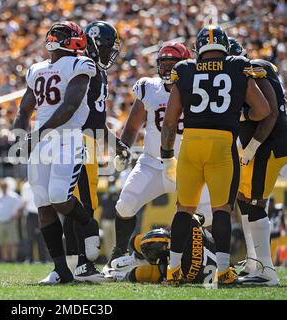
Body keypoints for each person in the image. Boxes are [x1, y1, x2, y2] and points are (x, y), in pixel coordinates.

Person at [160, 25, 270, 285]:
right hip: (222, 145)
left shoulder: (185, 69)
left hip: (191, 144)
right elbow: (263, 110)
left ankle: (173, 271)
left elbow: (169, 120)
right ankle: (223, 271)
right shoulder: (237, 66)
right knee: (222, 209)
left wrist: (166, 155)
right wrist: (239, 114)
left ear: (199, 48)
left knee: (184, 209)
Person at [104, 42, 213, 276]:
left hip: (187, 165)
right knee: (125, 204)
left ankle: (198, 257)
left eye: (172, 65)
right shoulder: (150, 88)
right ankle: (119, 253)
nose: (166, 70)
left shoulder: (199, 87)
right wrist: (123, 150)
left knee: (207, 214)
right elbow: (133, 126)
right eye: (163, 64)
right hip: (152, 162)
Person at [13, 21, 99, 284]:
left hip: (66, 136)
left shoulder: (80, 64)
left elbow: (71, 105)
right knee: (43, 205)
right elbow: (24, 110)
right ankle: (61, 269)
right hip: (42, 141)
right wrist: (19, 139)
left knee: (60, 198)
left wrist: (36, 134)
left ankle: (89, 225)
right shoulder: (37, 69)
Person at [62, 21, 127, 282]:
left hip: (86, 140)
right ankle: (82, 266)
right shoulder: (84, 68)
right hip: (80, 142)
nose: (109, 52)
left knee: (75, 204)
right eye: (107, 46)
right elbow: (83, 118)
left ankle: (71, 266)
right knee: (85, 205)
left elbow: (97, 120)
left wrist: (116, 143)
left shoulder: (94, 70)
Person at [228, 38, 287, 286]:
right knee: (244, 197)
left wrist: (251, 147)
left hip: (268, 144)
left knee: (254, 203)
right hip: (262, 144)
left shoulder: (253, 67)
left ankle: (266, 272)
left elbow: (270, 112)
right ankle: (254, 263)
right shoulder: (250, 70)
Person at [109, 214, 217, 285]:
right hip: (217, 261)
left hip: (210, 270)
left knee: (144, 273)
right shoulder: (191, 225)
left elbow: (200, 217)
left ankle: (125, 275)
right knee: (145, 241)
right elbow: (200, 217)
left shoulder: (183, 268)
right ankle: (136, 259)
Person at [0, 179, 22, 262]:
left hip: (11, 221)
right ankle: (5, 259)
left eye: (5, 186)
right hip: (0, 221)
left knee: (13, 241)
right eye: (2, 186)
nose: (3, 188)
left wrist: (16, 216)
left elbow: (19, 207)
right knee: (3, 242)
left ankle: (13, 259)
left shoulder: (14, 196)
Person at [21, 181, 48, 263]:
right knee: (30, 238)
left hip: (42, 212)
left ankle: (43, 259)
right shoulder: (26, 186)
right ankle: (29, 258)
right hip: (31, 215)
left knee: (42, 237)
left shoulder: (43, 183)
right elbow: (24, 202)